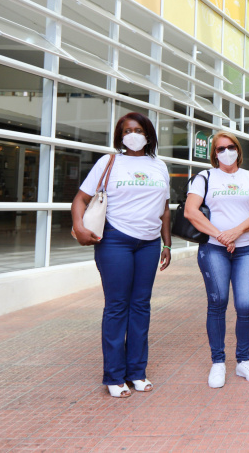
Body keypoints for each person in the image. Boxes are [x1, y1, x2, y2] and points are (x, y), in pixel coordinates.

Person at [71, 112, 171, 398]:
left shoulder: (159, 166)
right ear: (120, 136)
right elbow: (81, 199)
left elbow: (164, 209)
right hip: (115, 240)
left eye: (138, 129)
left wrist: (166, 244)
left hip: (149, 244)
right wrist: (79, 226)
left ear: (148, 134)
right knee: (117, 307)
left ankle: (136, 372)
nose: (133, 134)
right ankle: (114, 376)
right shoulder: (109, 162)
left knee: (141, 306)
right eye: (127, 130)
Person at [184, 131, 249, 388]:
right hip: (214, 249)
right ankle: (218, 362)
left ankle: (244, 361)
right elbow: (190, 211)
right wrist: (221, 235)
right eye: (220, 149)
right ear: (214, 153)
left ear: (238, 150)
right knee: (217, 303)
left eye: (230, 147)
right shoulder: (204, 178)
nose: (226, 152)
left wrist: (236, 232)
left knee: (245, 305)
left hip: (246, 249)